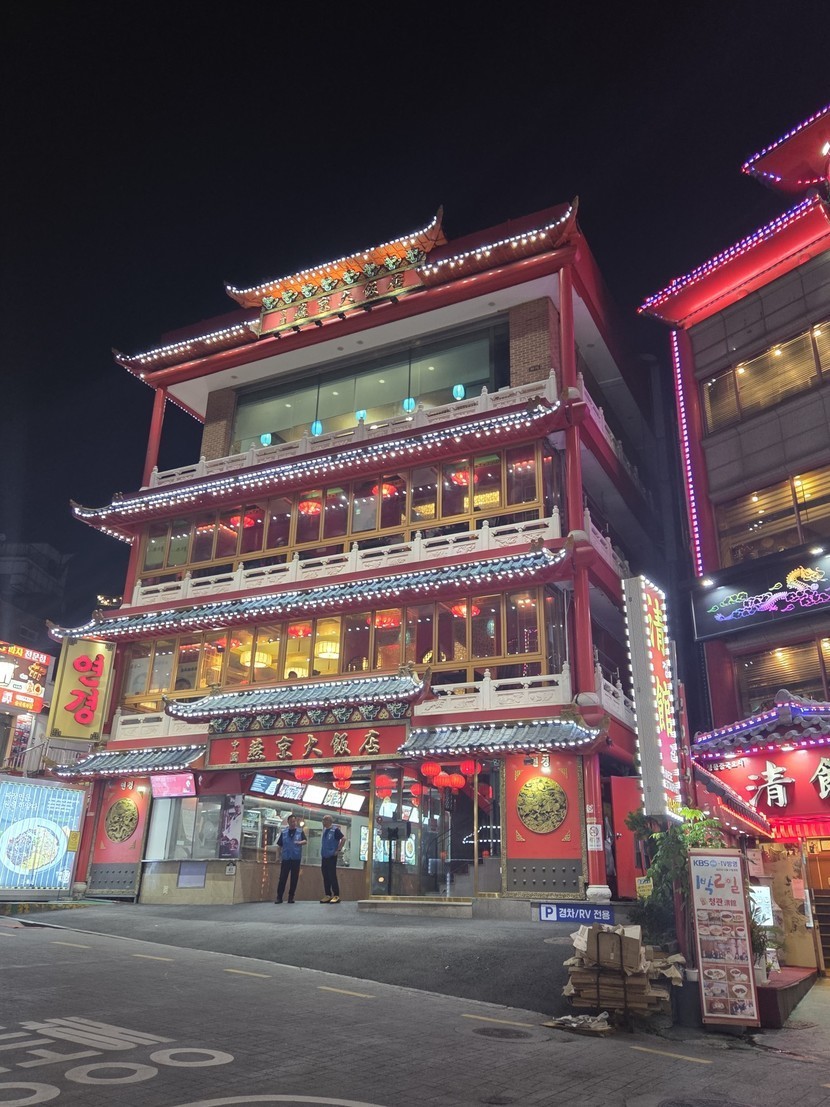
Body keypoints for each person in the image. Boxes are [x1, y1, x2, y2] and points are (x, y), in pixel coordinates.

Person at [275, 815, 307, 904]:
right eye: (292, 822)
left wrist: (300, 842)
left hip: (295, 858)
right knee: (282, 878)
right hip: (286, 858)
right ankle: (279, 897)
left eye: (294, 821)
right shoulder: (284, 832)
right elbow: (279, 846)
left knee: (294, 879)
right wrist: (277, 857)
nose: (293, 823)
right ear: (288, 822)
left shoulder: (300, 832)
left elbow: (305, 841)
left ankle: (291, 897)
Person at [319, 815, 345, 903]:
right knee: (325, 876)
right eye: (323, 820)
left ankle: (336, 895)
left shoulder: (335, 830)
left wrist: (338, 850)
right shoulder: (325, 830)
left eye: (324, 820)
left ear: (329, 821)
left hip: (331, 856)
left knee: (332, 875)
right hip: (324, 856)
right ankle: (328, 894)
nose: (323, 822)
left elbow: (343, 839)